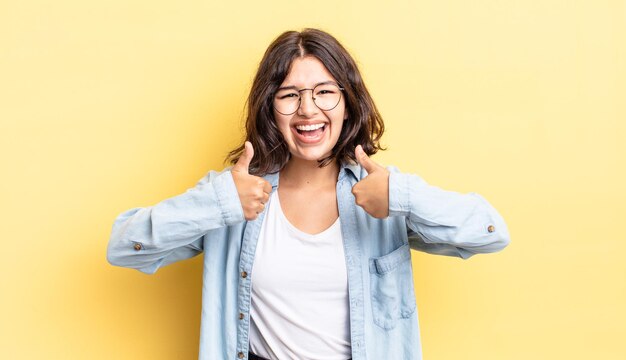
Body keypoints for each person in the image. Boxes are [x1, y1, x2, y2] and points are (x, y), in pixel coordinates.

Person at [107, 28, 510, 360]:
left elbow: (490, 232)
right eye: (289, 95)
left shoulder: (383, 195)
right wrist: (218, 203)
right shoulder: (234, 197)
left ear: (347, 104)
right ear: (270, 108)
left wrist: (403, 196)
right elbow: (124, 247)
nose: (308, 109)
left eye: (324, 92)